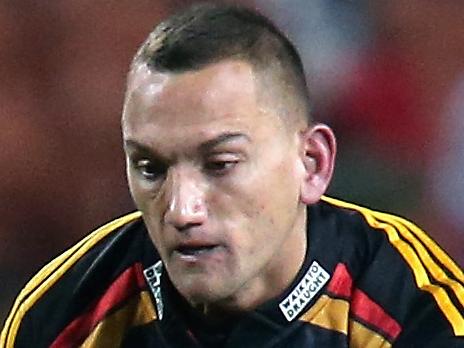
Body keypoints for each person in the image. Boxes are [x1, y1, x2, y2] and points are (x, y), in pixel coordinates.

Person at [1, 3, 463, 347]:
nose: (182, 210)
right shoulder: (61, 318)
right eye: (151, 168)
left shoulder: (415, 310)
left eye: (220, 164)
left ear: (312, 164)